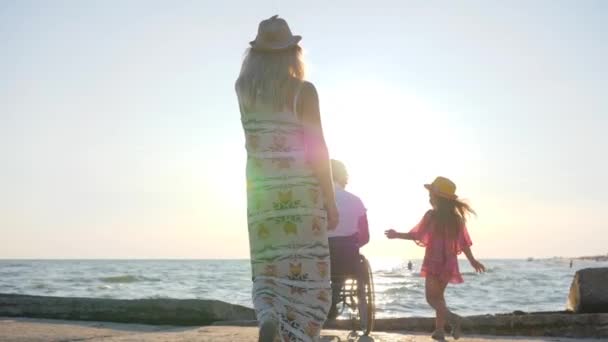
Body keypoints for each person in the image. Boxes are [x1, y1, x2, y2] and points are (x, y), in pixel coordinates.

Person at [235, 15, 339, 342]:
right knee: (312, 285)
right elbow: (317, 147)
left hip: (262, 198)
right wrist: (330, 200)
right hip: (302, 196)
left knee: (268, 274)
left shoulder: (243, 91)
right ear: (292, 52)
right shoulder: (303, 92)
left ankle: (269, 319)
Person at [385, 176, 485, 340]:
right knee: (439, 298)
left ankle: (454, 319)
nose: (429, 197)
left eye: (431, 194)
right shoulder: (456, 219)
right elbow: (464, 243)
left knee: (431, 299)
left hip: (434, 260)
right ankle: (439, 331)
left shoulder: (431, 216)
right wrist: (472, 261)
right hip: (449, 263)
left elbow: (417, 234)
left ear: (437, 197)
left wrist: (397, 235)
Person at [326, 159, 369, 321]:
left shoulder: (314, 202)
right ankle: (335, 298)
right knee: (345, 262)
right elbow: (365, 237)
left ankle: (329, 301)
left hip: (320, 257)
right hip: (347, 257)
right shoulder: (356, 201)